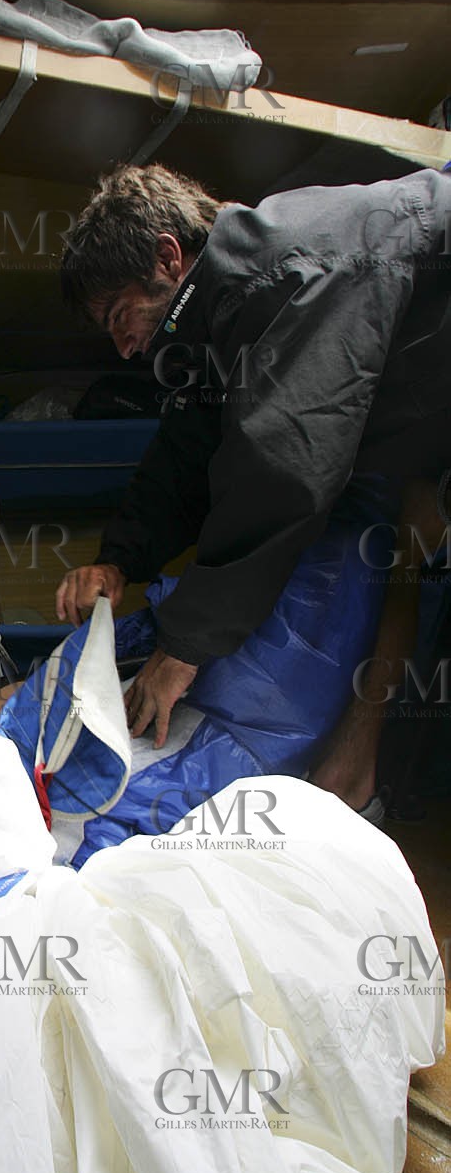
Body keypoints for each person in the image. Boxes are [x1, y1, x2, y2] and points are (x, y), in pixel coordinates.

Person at [55, 162, 451, 808]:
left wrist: (183, 647)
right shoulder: (220, 313)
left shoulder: (288, 268)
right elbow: (187, 450)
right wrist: (119, 557)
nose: (123, 348)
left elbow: (288, 469)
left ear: (167, 257)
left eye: (121, 314)